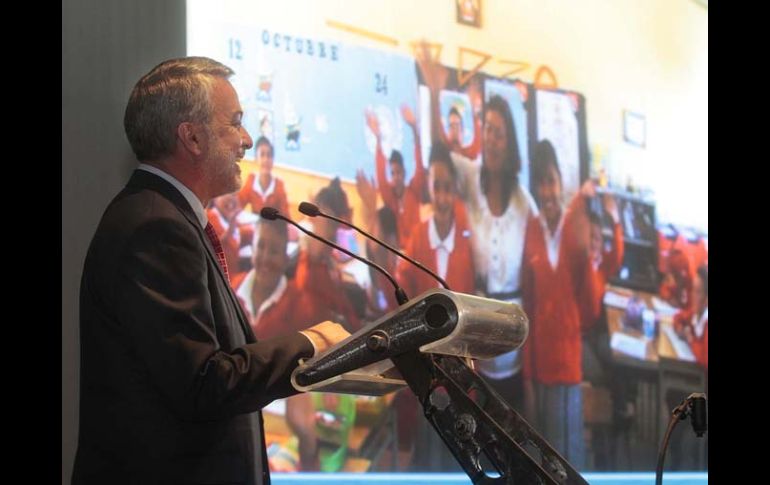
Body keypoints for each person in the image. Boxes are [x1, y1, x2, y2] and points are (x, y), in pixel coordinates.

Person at [72, 57, 349, 485]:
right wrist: (312, 343)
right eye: (234, 123)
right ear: (193, 137)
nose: (247, 139)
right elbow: (204, 383)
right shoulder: (155, 227)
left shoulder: (167, 217)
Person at [417, 45, 538, 412]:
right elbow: (439, 152)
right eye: (487, 130)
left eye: (499, 132)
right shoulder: (469, 180)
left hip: (516, 333)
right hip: (477, 323)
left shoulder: (523, 201)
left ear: (510, 141)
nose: (492, 139)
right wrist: (436, 90)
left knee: (510, 414)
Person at [520, 139, 598, 469]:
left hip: (567, 364)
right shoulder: (531, 231)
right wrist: (528, 375)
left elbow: (590, 311)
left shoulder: (576, 228)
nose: (548, 192)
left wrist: (588, 257)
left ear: (560, 181)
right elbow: (527, 308)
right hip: (539, 366)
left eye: (551, 181)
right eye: (541, 184)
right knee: (546, 453)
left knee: (570, 458)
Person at [367, 104, 426, 249]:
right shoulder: (389, 196)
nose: (396, 177)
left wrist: (414, 130)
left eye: (399, 172)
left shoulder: (414, 190)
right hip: (396, 252)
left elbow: (419, 166)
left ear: (404, 173)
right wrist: (378, 139)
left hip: (415, 251)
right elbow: (380, 176)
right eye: (392, 173)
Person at [238, 136, 289, 215]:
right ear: (256, 159)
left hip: (273, 226)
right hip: (255, 226)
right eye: (262, 155)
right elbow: (238, 205)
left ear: (273, 159)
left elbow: (286, 217)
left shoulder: (279, 185)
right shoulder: (251, 179)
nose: (266, 160)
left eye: (269, 155)